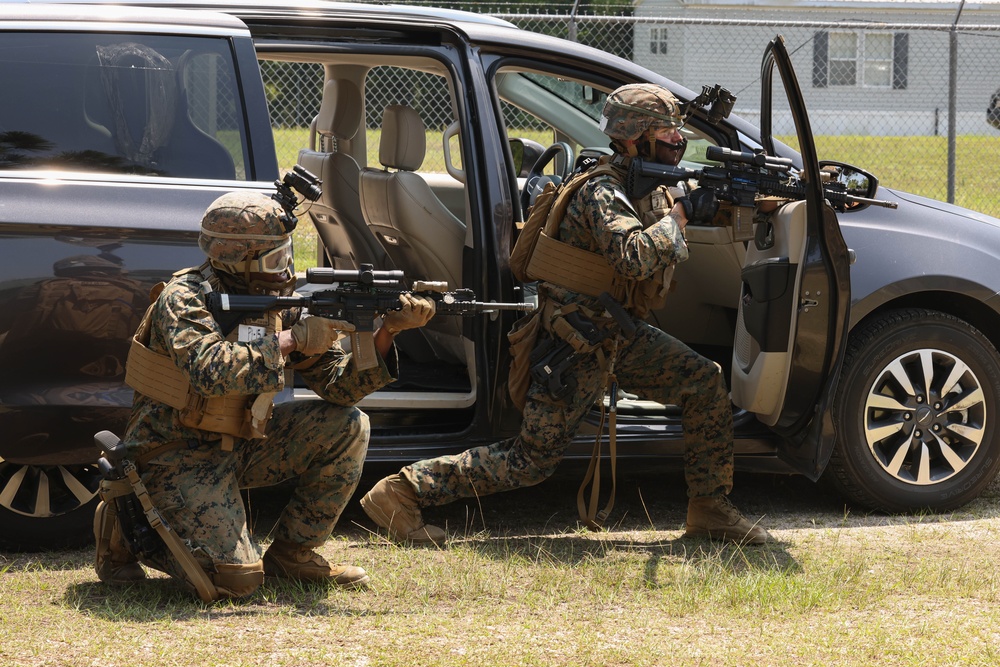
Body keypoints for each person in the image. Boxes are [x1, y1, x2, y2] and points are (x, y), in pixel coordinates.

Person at [360, 83, 770, 546]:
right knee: (531, 461)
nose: (677, 143)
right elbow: (632, 257)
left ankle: (709, 508)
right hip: (575, 342)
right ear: (634, 138)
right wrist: (678, 217)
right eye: (665, 132)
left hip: (615, 332)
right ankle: (401, 492)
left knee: (703, 381)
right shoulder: (602, 189)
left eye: (678, 133)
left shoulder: (641, 182)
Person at [94, 190, 435, 599]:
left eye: (286, 254)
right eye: (274, 258)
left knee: (347, 425)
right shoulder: (185, 299)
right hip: (171, 453)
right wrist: (292, 340)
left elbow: (341, 389)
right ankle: (126, 524)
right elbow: (210, 371)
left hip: (241, 444)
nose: (285, 268)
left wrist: (387, 332)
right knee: (235, 581)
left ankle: (294, 553)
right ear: (238, 257)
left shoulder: (278, 303)